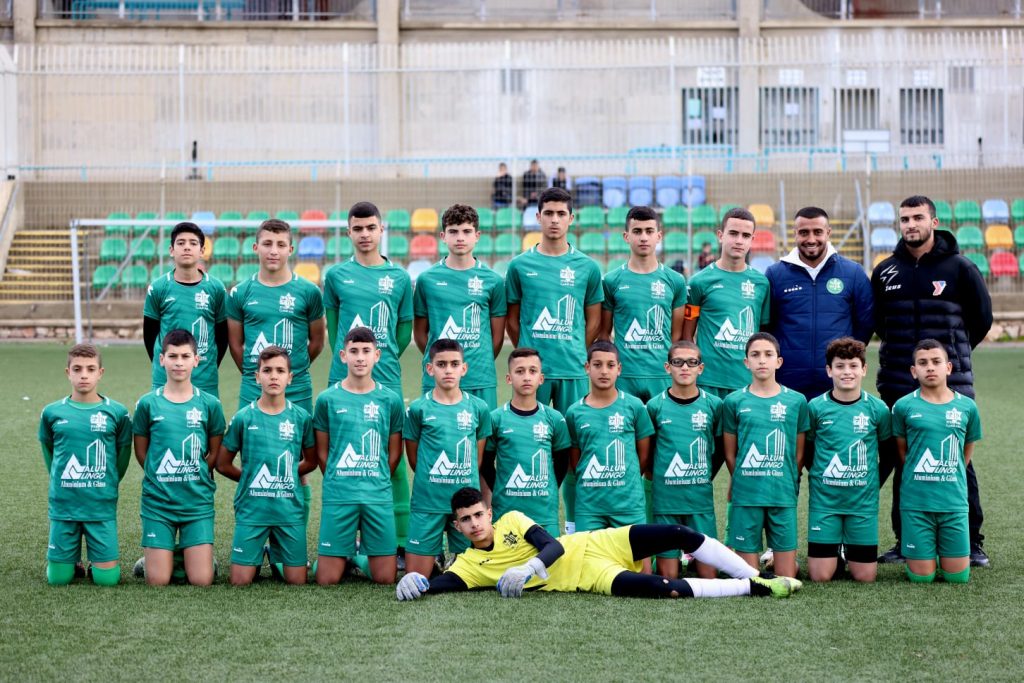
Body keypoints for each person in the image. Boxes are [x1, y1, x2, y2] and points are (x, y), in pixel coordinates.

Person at [395, 488, 801, 601]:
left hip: (594, 542)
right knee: (664, 589)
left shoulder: (512, 520)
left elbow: (552, 546)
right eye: (466, 520)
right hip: (588, 575)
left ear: (489, 512)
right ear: (457, 526)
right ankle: (751, 588)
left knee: (678, 534)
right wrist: (414, 581)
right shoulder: (467, 565)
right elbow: (438, 584)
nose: (475, 524)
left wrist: (529, 567)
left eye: (478, 515)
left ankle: (757, 575)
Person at [871, 195, 993, 567]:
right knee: (903, 459)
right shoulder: (885, 271)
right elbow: (881, 324)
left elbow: (982, 319)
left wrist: (952, 358)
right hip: (899, 382)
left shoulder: (960, 267)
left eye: (917, 217)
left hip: (951, 384)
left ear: (933, 222)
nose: (911, 224)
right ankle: (906, 540)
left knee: (955, 459)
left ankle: (971, 542)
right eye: (905, 219)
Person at [505, 186, 603, 534]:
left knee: (575, 453)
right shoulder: (520, 265)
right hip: (532, 374)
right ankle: (524, 526)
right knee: (527, 448)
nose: (555, 220)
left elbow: (594, 320)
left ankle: (574, 527)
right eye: (548, 213)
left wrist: (576, 349)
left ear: (571, 218)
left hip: (572, 370)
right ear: (538, 217)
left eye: (562, 213)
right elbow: (513, 320)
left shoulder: (587, 267)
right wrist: (529, 355)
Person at [323, 201, 414, 558]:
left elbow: (402, 331)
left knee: (392, 460)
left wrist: (381, 358)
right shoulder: (335, 276)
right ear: (349, 232)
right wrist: (351, 364)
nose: (364, 234)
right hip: (343, 380)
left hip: (386, 377)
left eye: (370, 227)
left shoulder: (400, 278)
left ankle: (401, 543)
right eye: (358, 229)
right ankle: (343, 544)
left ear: (381, 230)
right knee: (344, 459)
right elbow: (335, 332)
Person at [216, 346, 317, 586]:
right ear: (257, 376)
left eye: (280, 371)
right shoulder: (244, 417)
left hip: (288, 511)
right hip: (253, 510)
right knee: (240, 581)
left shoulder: (301, 418)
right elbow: (222, 463)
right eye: (267, 370)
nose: (273, 376)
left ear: (289, 378)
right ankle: (257, 552)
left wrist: (286, 475)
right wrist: (250, 478)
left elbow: (311, 460)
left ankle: (274, 554)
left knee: (297, 580)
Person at [132, 329, 226, 586]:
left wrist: (197, 471)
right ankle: (153, 560)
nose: (179, 362)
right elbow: (141, 451)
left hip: (196, 501)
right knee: (158, 581)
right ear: (161, 359)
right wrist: (160, 472)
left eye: (185, 356)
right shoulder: (147, 404)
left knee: (202, 580)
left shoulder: (210, 404)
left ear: (196, 360)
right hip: (158, 501)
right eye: (172, 356)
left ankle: (196, 558)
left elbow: (215, 450)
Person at [313, 327, 404, 585]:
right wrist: (338, 477)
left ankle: (355, 557)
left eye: (366, 351)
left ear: (377, 355)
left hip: (377, 494)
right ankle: (343, 555)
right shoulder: (327, 399)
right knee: (326, 579)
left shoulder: (390, 400)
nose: (360, 357)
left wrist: (376, 476)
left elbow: (394, 452)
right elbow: (322, 452)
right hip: (339, 494)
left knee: (385, 578)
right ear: (343, 356)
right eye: (354, 351)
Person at [38, 344, 132, 586]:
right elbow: (49, 452)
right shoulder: (52, 412)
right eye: (77, 369)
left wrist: (108, 481)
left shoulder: (117, 412)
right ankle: (71, 562)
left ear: (100, 372)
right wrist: (62, 479)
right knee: (57, 579)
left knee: (107, 580)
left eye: (90, 369)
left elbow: (122, 455)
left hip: (100, 505)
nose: (84, 375)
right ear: (67, 372)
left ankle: (95, 564)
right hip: (64, 504)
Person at [892, 339, 982, 584]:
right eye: (922, 363)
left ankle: (946, 549)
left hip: (953, 503)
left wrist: (949, 470)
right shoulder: (903, 406)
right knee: (922, 578)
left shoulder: (967, 407)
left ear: (948, 367)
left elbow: (966, 450)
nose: (930, 367)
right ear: (914, 371)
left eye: (936, 361)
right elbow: (902, 451)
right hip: (916, 504)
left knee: (958, 577)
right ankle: (925, 550)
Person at [403, 339, 492, 577]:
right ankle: (435, 555)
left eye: (454, 364)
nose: (448, 370)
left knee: (473, 576)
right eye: (441, 364)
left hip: (466, 506)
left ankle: (454, 555)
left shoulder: (479, 408)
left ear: (464, 368)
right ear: (430, 369)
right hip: (428, 501)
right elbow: (414, 458)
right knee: (417, 577)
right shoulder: (418, 409)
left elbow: (476, 459)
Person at [722, 332, 809, 578]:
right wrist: (744, 479)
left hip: (781, 493)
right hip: (746, 494)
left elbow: (799, 453)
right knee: (749, 578)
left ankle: (781, 560)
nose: (762, 360)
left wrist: (786, 478)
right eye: (755, 355)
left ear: (778, 362)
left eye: (768, 354)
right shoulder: (733, 401)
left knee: (787, 577)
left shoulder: (796, 401)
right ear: (746, 362)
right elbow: (730, 454)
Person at [805, 337, 891, 583]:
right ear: (829, 370)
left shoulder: (878, 409)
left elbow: (889, 455)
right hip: (825, 502)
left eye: (853, 366)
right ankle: (835, 548)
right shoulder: (816, 407)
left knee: (865, 577)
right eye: (840, 366)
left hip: (862, 504)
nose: (847, 372)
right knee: (820, 576)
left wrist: (873, 482)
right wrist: (822, 475)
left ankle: (845, 548)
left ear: (864, 369)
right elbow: (808, 450)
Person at [765, 207, 873, 401]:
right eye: (804, 232)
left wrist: (843, 356)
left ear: (828, 233)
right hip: (787, 382)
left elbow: (866, 323)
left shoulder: (853, 273)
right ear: (795, 233)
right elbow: (767, 326)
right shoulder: (775, 274)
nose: (811, 239)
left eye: (818, 232)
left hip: (836, 382)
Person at [226, 218, 326, 416]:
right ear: (255, 247)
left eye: (281, 245)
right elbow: (235, 345)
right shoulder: (240, 292)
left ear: (290, 249)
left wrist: (291, 370)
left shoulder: (309, 292)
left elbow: (317, 342)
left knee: (300, 436)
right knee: (249, 435)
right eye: (267, 244)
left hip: (297, 388)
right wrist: (256, 374)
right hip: (253, 388)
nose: (273, 251)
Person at [414, 204, 507, 411]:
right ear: (443, 236)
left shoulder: (493, 280)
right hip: (437, 378)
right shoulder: (427, 280)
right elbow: (420, 333)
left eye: (466, 231)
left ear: (477, 235)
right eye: (453, 232)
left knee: (483, 431)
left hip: (480, 377)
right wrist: (441, 359)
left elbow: (497, 337)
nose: (460, 238)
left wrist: (478, 360)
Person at [646, 341, 723, 579]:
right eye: (678, 362)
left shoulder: (714, 405)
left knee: (709, 575)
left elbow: (720, 449)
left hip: (699, 499)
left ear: (701, 368)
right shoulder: (654, 406)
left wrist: (705, 475)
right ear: (668, 367)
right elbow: (648, 451)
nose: (685, 367)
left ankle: (693, 556)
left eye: (692, 362)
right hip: (665, 501)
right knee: (668, 576)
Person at [600, 205, 687, 403]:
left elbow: (676, 335)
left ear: (659, 236)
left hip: (661, 374)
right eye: (637, 231)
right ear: (626, 236)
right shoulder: (611, 281)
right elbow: (604, 334)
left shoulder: (676, 281)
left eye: (649, 231)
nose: (644, 237)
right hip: (624, 375)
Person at [565, 341, 654, 534]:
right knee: (589, 553)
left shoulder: (635, 406)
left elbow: (644, 455)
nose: (604, 371)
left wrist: (626, 479)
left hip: (628, 505)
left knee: (637, 555)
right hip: (589, 507)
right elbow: (575, 461)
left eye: (610, 365)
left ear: (619, 369)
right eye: (597, 365)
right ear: (587, 367)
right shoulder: (574, 412)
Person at [682, 208, 771, 400]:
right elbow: (687, 335)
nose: (739, 240)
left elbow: (764, 335)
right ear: (720, 235)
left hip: (747, 381)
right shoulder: (699, 282)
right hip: (708, 381)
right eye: (733, 233)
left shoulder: (761, 283)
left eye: (745, 236)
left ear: (752, 240)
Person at [483, 348, 572, 536]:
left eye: (532, 371)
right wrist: (500, 489)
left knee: (550, 555)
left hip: (544, 514)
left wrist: (548, 488)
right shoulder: (496, 418)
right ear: (509, 378)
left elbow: (562, 461)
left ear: (541, 378)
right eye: (520, 371)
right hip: (506, 513)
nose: (526, 377)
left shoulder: (554, 418)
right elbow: (486, 463)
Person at [143, 221, 228, 398]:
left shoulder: (216, 288)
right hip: (165, 379)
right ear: (171, 250)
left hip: (204, 379)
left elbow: (222, 336)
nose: (187, 247)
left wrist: (206, 365)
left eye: (193, 243)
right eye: (181, 243)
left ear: (202, 250)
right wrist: (166, 364)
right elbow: (149, 335)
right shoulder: (158, 288)